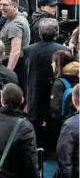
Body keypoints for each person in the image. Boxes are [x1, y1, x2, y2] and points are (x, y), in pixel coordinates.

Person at [24, 18, 69, 150]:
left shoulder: (28, 50)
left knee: (35, 133)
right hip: (55, 95)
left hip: (34, 96)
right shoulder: (64, 50)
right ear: (57, 33)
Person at [0, 0, 30, 92]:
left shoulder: (15, 24)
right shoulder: (14, 17)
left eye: (5, 5)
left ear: (15, 6)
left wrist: (8, 73)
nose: (1, 8)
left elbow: (15, 51)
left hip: (14, 66)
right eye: (0, 4)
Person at [49, 50, 79, 144]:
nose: (51, 64)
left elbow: (55, 110)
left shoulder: (59, 83)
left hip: (63, 127)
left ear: (58, 63)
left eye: (53, 62)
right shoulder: (77, 77)